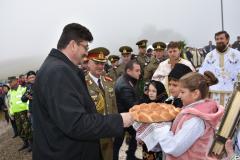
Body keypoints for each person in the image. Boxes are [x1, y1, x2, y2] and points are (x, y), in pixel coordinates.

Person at [32, 23, 133, 160]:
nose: (86, 53)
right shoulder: (59, 72)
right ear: (73, 45)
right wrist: (119, 120)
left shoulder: (58, 68)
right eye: (85, 47)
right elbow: (76, 124)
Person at [137, 71, 224, 160]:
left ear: (195, 94)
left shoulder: (196, 120)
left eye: (182, 92)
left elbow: (174, 148)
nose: (180, 95)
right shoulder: (192, 112)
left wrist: (161, 128)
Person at [85, 47, 118, 160]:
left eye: (102, 63)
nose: (100, 66)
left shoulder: (108, 82)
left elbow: (114, 107)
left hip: (108, 133)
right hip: (92, 136)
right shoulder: (83, 83)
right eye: (96, 63)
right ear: (88, 63)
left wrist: (116, 126)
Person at [199, 31, 240, 106]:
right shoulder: (209, 55)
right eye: (217, 39)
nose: (219, 41)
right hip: (214, 94)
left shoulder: (237, 54)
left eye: (221, 38)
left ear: (227, 40)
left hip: (232, 93)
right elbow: (202, 72)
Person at [113, 60, 141, 160]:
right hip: (122, 117)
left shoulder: (127, 80)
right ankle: (129, 156)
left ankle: (130, 155)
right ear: (129, 71)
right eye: (137, 71)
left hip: (123, 115)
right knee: (119, 141)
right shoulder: (125, 85)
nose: (139, 73)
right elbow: (133, 106)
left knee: (119, 141)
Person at [140, 80, 168, 160]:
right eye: (149, 90)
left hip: (159, 144)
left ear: (159, 92)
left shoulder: (165, 106)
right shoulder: (146, 102)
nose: (150, 93)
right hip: (146, 143)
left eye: (154, 91)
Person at [8, 76, 31, 151]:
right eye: (9, 82)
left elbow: (28, 100)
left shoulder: (23, 88)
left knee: (27, 128)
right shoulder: (10, 92)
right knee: (20, 130)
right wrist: (11, 113)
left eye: (10, 82)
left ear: (15, 81)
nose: (9, 84)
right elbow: (10, 103)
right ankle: (25, 143)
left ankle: (32, 144)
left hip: (24, 112)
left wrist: (28, 110)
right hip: (16, 114)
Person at [21, 70, 36, 152]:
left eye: (33, 77)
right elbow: (23, 99)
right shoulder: (28, 87)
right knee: (34, 129)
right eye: (30, 77)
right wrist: (26, 96)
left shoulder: (41, 85)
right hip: (33, 111)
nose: (32, 79)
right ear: (28, 79)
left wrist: (34, 98)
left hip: (42, 111)